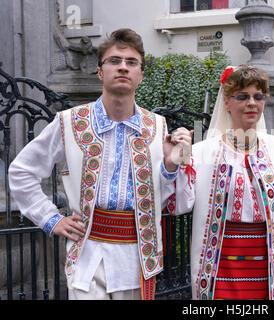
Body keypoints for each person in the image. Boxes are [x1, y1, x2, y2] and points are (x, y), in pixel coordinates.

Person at [8, 28, 192, 300]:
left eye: (131, 63)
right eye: (114, 61)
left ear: (140, 75)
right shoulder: (69, 122)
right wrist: (51, 219)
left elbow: (165, 199)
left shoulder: (157, 127)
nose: (123, 68)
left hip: (137, 256)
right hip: (87, 253)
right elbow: (22, 171)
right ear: (99, 71)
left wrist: (170, 166)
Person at [166, 65, 274, 300]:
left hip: (265, 258)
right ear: (227, 103)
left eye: (258, 97)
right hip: (217, 261)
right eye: (243, 96)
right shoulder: (202, 151)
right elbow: (178, 205)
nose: (252, 103)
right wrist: (178, 163)